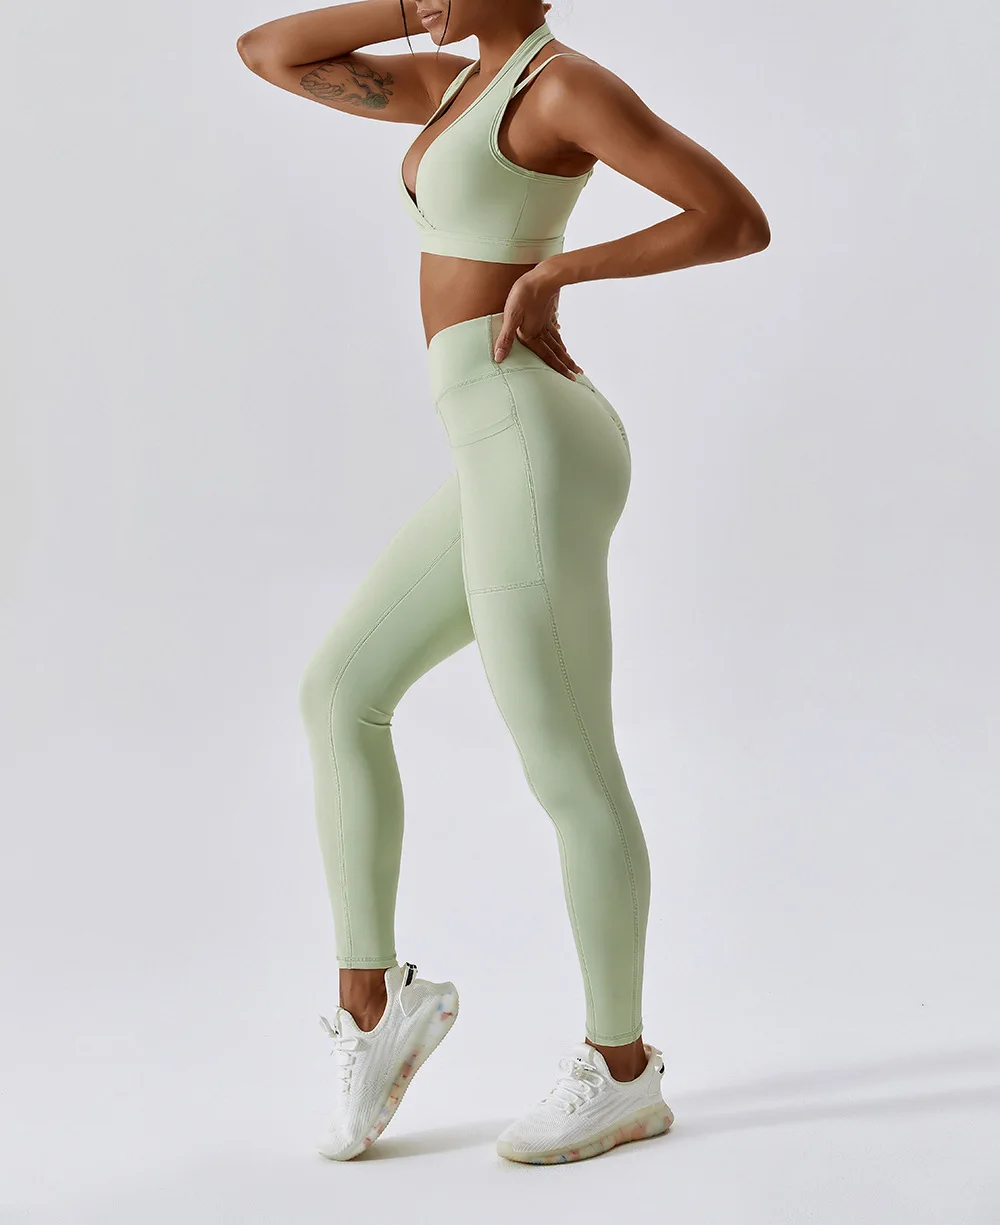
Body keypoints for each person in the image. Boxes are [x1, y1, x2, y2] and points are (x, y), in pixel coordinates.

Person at [236, 0, 770, 1165]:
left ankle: (621, 1069)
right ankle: (375, 1005)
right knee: (340, 692)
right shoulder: (453, 86)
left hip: (533, 436)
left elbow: (733, 219)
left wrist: (560, 269)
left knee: (566, 763)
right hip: (489, 440)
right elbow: (267, 51)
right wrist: (414, 9)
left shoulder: (559, 87)